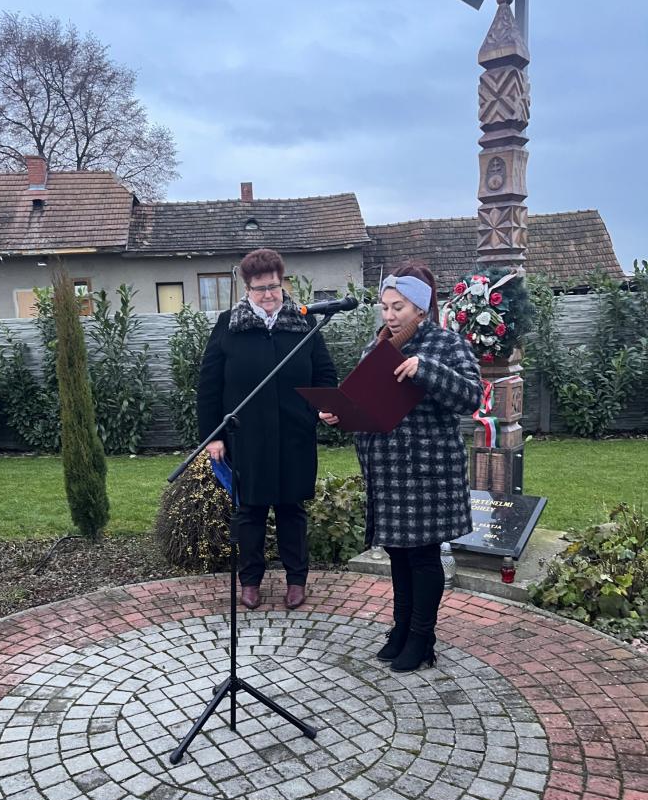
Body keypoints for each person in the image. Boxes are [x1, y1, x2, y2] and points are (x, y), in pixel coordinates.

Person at [320, 262, 481, 672]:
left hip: (426, 470)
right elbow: (364, 402)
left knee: (422, 556)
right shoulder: (374, 348)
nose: (389, 315)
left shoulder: (445, 344)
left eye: (399, 307)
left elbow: (471, 397)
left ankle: (422, 638)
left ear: (420, 309)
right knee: (397, 553)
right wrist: (340, 414)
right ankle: (402, 627)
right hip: (385, 471)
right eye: (385, 307)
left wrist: (426, 370)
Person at [197, 248, 337, 610]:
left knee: (292, 509)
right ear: (247, 289)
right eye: (260, 289)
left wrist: (323, 408)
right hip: (247, 436)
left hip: (294, 434)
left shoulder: (304, 322)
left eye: (274, 286)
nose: (269, 295)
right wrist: (213, 436)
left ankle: (296, 580)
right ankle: (250, 581)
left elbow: (324, 373)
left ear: (281, 283)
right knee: (250, 511)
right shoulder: (229, 325)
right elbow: (209, 385)